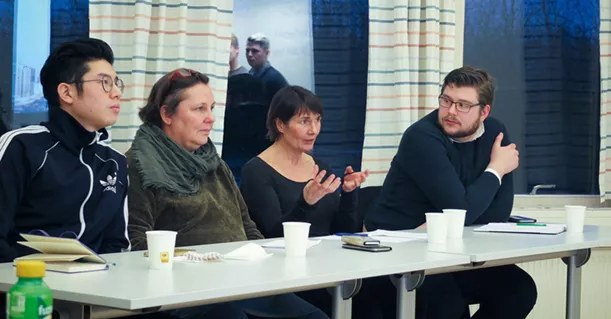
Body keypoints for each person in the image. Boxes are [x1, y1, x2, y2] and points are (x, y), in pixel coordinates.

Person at [126, 68, 328, 319]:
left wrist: (263, 263)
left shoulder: (214, 163)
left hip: (243, 281)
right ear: (166, 114)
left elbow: (247, 225)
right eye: (199, 109)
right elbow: (138, 245)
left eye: (211, 108)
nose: (210, 118)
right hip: (187, 292)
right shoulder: (140, 164)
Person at [365, 66, 537, 319]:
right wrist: (496, 170)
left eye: (463, 105)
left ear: (484, 111)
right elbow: (460, 210)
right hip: (402, 251)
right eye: (446, 101)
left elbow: (499, 212)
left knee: (519, 290)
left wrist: (462, 210)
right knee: (449, 308)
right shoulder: (421, 137)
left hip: (453, 249)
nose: (451, 111)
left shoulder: (494, 133)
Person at [240, 86, 381, 318]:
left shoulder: (319, 166)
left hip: (328, 269)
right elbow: (274, 237)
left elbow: (341, 232)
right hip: (288, 277)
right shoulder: (256, 171)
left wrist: (348, 194)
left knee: (382, 297)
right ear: (280, 125)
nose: (313, 130)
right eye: (304, 121)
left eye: (317, 120)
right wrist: (305, 202)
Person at [0, 38, 131, 263]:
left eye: (116, 83)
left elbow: (117, 244)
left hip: (96, 292)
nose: (116, 92)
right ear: (67, 93)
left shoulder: (114, 163)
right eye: (105, 82)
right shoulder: (22, 146)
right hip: (26, 288)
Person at [246, 33, 288, 104]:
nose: (249, 54)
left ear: (267, 53)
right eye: (247, 50)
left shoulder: (275, 78)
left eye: (254, 51)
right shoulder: (250, 75)